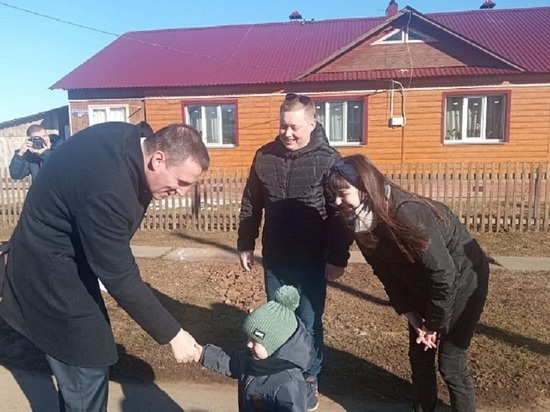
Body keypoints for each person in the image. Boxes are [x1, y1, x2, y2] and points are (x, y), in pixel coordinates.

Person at [0, 121, 210, 411]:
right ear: (157, 159)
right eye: (182, 182)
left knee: (84, 368)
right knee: (86, 365)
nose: (183, 192)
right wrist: (173, 334)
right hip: (47, 272)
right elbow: (119, 275)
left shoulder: (128, 140)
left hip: (68, 256)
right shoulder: (109, 188)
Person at [328, 154, 490, 412]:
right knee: (419, 357)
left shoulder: (408, 213)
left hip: (463, 279)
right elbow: (383, 270)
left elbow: (443, 274)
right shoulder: (356, 219)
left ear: (365, 188)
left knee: (450, 363)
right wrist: (411, 313)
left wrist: (433, 325)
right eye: (333, 195)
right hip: (423, 282)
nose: (337, 202)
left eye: (343, 193)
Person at [237, 93, 352, 410]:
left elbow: (339, 214)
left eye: (294, 127)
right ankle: (278, 375)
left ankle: (309, 377)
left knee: (309, 322)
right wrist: (246, 243)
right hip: (275, 258)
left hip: (313, 260)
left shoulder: (329, 161)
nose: (287, 133)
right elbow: (252, 204)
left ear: (312, 124)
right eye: (283, 126)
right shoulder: (264, 157)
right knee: (277, 320)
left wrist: (337, 258)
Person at [196, 285, 315, 412]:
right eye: (249, 338)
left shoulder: (290, 385)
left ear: (275, 345)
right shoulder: (252, 360)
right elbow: (229, 361)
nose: (248, 344)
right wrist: (202, 353)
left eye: (255, 341)